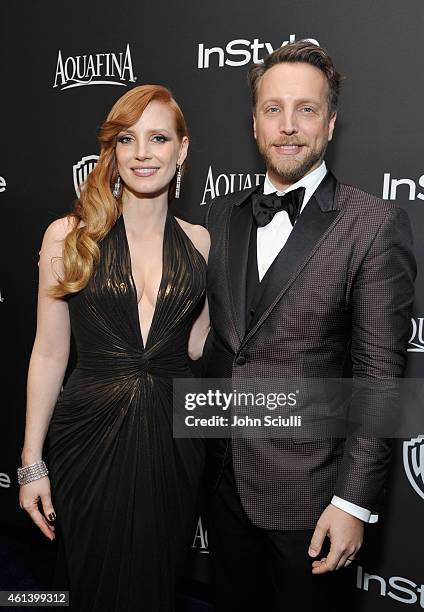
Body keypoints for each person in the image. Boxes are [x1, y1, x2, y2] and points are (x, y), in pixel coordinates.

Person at [202, 41, 416, 611]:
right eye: (273, 109)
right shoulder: (223, 213)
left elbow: (378, 377)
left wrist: (351, 505)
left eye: (306, 109)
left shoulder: (373, 222)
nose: (288, 126)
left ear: (331, 121)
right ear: (253, 123)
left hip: (312, 500)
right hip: (222, 485)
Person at [18, 84, 210, 611]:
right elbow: (49, 353)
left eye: (158, 138)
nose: (143, 153)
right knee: (90, 581)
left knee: (159, 581)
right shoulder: (69, 236)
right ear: (114, 151)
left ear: (182, 149)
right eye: (128, 139)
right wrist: (32, 462)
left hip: (174, 442)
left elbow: (199, 347)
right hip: (87, 436)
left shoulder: (200, 243)